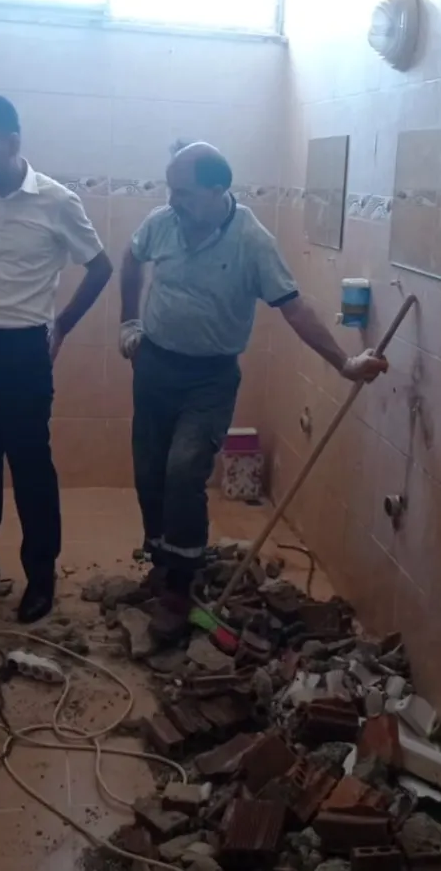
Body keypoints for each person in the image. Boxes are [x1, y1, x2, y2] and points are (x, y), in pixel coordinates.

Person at [119, 142, 387, 632]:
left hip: (210, 378)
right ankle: (160, 563)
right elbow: (131, 259)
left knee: (183, 470)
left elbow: (294, 308)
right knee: (149, 472)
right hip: (155, 365)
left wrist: (345, 363)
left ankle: (179, 586)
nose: (172, 200)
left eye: (183, 192)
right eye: (170, 189)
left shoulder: (252, 240)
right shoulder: (162, 223)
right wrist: (129, 322)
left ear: (218, 189)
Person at [0, 94, 112, 623]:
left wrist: (61, 327)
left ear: (12, 142)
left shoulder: (57, 202)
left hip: (21, 350)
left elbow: (100, 267)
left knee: (31, 466)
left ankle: (40, 575)